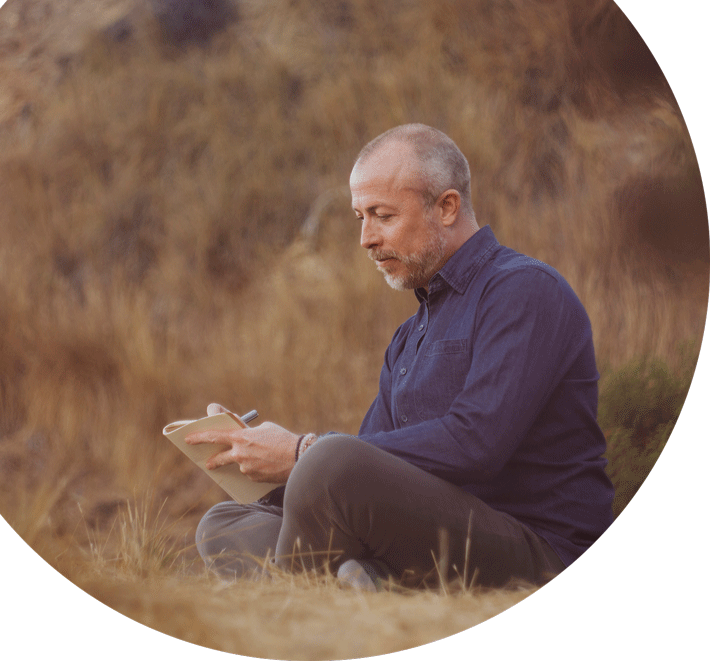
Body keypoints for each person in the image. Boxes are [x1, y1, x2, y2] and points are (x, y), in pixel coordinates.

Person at [187, 124, 614, 590]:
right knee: (227, 523)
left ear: (447, 207)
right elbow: (371, 464)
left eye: (382, 216)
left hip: (536, 547)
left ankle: (307, 614)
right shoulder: (408, 337)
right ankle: (360, 582)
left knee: (328, 463)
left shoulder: (525, 291)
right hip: (428, 535)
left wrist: (302, 453)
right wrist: (259, 459)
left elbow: (477, 444)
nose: (366, 238)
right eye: (359, 218)